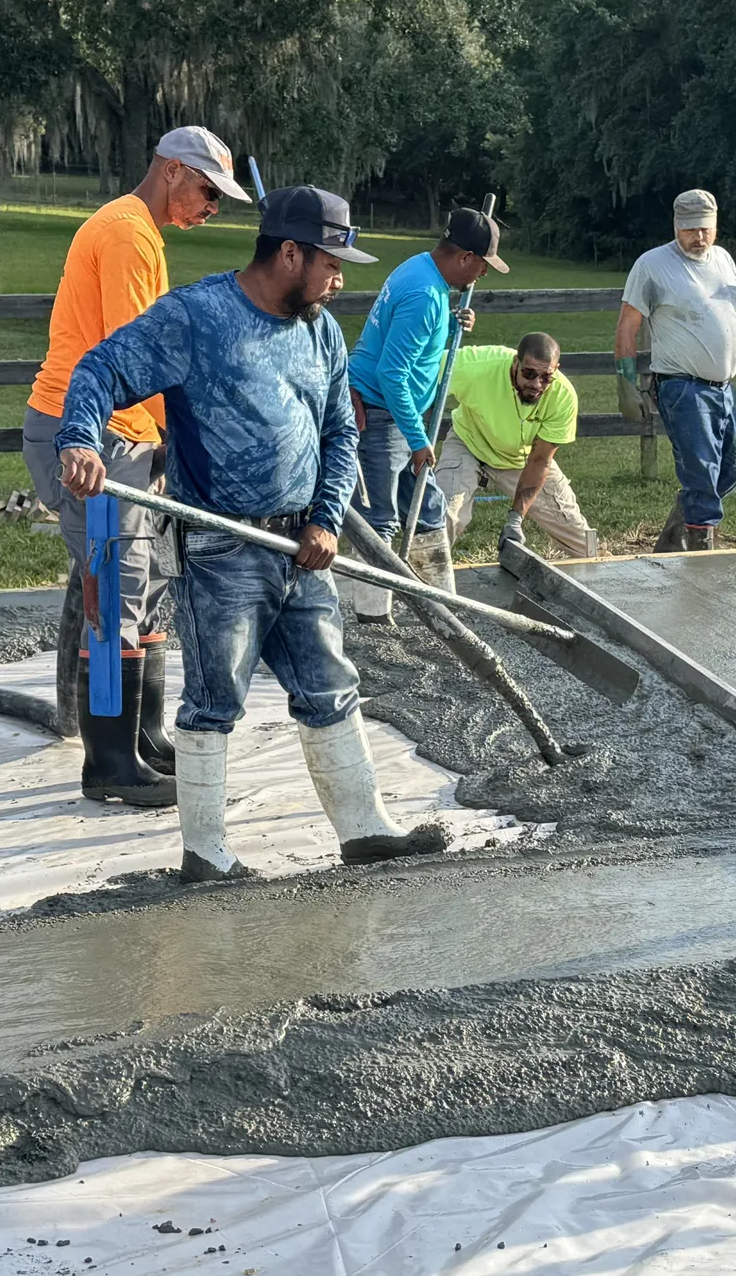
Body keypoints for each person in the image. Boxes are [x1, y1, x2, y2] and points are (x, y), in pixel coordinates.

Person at [55, 185, 448, 881]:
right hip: (222, 551)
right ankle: (205, 853)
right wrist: (81, 440)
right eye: (331, 262)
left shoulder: (321, 329)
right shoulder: (197, 319)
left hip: (302, 549)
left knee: (330, 683)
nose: (339, 278)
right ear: (289, 253)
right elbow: (100, 368)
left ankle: (365, 828)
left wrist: (328, 517)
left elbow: (338, 433)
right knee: (215, 699)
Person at [22, 125, 247, 807]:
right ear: (174, 171)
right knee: (109, 598)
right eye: (209, 191)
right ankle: (109, 764)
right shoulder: (125, 232)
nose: (212, 208)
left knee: (143, 591)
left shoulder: (142, 233)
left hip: (127, 437)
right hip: (90, 438)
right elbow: (134, 352)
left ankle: (142, 740)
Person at [343, 207, 505, 620]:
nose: (481, 276)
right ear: (465, 257)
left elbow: (412, 343)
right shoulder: (424, 296)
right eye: (483, 267)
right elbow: (392, 372)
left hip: (396, 411)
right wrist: (418, 440)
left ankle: (441, 605)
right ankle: (373, 615)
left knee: (427, 506)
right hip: (380, 413)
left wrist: (450, 326)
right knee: (380, 517)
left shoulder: (418, 269)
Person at [613, 188, 736, 552]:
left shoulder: (723, 260)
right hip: (682, 387)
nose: (699, 237)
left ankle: (681, 528)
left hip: (724, 387)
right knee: (702, 475)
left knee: (733, 472)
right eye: (690, 229)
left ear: (716, 225)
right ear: (676, 226)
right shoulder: (652, 265)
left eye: (705, 228)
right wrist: (626, 383)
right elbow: (628, 324)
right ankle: (702, 555)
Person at [432, 332, 598, 559]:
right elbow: (424, 365)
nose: (536, 384)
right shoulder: (477, 365)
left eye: (546, 377)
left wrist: (515, 519)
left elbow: (540, 460)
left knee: (581, 539)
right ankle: (417, 583)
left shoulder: (563, 397)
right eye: (529, 374)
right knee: (444, 518)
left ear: (556, 370)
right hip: (468, 443)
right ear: (515, 363)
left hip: (521, 459)